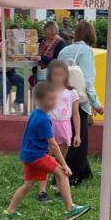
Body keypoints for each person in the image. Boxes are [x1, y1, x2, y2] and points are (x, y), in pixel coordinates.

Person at [4, 82, 90, 220]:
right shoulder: (43, 119)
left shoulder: (36, 114)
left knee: (28, 185)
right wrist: (64, 164)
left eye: (54, 99)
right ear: (39, 100)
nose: (54, 102)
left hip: (28, 155)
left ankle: (9, 211)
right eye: (50, 99)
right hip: (37, 155)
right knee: (62, 173)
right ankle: (70, 208)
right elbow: (53, 144)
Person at [58, 21, 103, 186]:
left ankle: (84, 172)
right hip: (78, 100)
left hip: (62, 98)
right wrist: (96, 104)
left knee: (71, 137)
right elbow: (88, 81)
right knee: (79, 140)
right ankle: (72, 175)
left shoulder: (63, 50)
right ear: (91, 35)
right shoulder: (86, 51)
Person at [37, 60, 80, 201]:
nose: (58, 77)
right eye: (55, 74)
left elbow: (75, 113)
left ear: (66, 75)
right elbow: (40, 111)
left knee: (61, 160)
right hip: (50, 126)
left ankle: (58, 186)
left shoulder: (72, 92)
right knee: (46, 159)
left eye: (61, 74)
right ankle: (42, 190)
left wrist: (77, 134)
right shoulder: (46, 90)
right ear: (50, 75)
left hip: (65, 126)